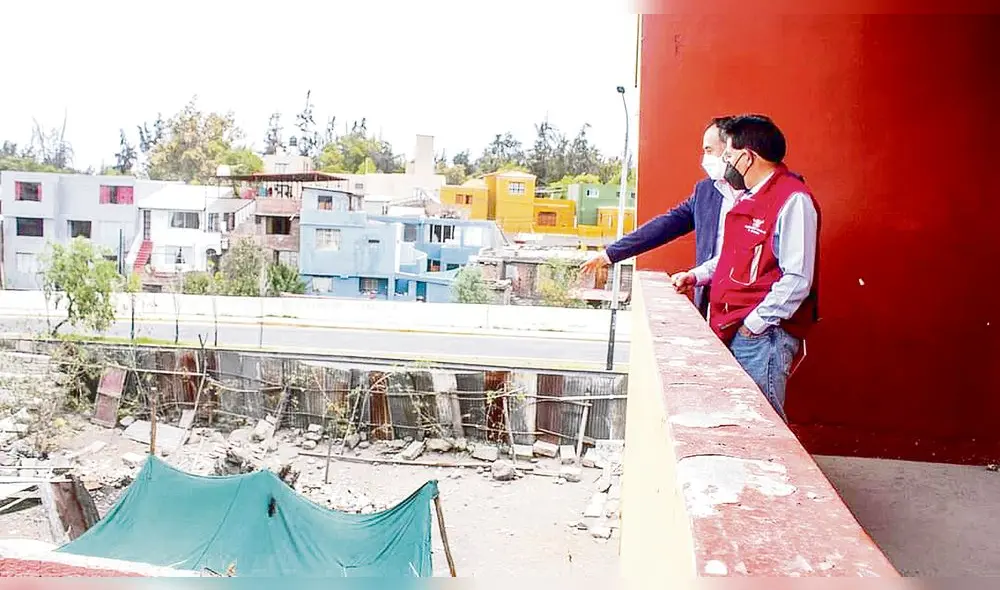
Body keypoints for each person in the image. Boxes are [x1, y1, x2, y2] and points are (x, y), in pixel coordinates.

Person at [672, 114, 820, 421]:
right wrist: (697, 275)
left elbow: (797, 278)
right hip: (734, 328)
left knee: (761, 424)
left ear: (748, 157)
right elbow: (733, 256)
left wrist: (754, 325)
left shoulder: (793, 200)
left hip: (761, 338)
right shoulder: (748, 199)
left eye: (728, 157)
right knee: (737, 420)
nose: (725, 165)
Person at [581, 116, 740, 317]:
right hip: (713, 306)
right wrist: (610, 254)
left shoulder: (763, 194)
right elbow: (666, 225)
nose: (704, 158)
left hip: (751, 316)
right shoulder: (707, 191)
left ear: (731, 149)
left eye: (709, 150)